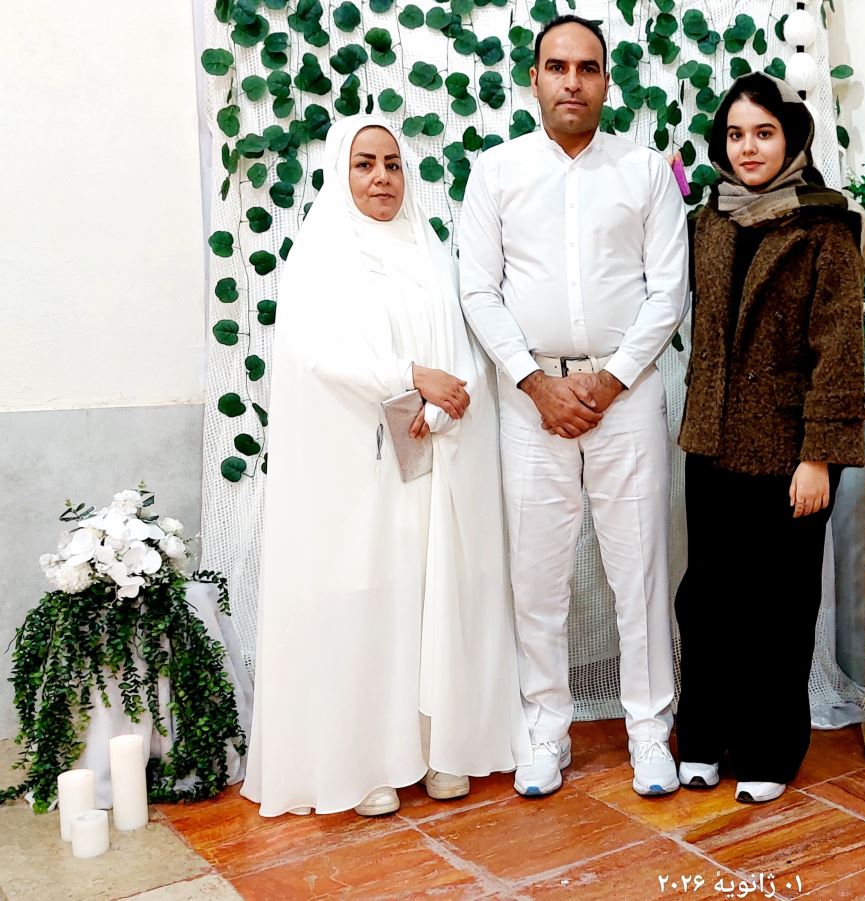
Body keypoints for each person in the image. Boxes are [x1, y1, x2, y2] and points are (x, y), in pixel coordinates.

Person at [243, 115, 532, 817]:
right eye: (365, 164)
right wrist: (408, 377)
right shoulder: (321, 254)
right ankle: (364, 757)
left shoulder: (430, 250)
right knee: (368, 596)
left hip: (434, 452)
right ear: (340, 173)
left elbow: (466, 343)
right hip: (358, 463)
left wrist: (443, 401)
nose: (381, 178)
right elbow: (315, 354)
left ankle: (439, 747)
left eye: (393, 164)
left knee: (433, 592)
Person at [458, 15, 689, 798]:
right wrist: (535, 383)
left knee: (640, 571)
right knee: (537, 576)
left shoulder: (645, 172)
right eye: (557, 66)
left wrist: (611, 379)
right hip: (531, 402)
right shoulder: (496, 172)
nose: (572, 81)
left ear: (606, 81)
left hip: (627, 395)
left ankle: (649, 732)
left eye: (587, 68)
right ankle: (545, 731)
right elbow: (477, 290)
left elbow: (669, 292)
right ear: (533, 78)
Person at [674, 74, 865, 804]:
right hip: (711, 442)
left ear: (792, 139)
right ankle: (704, 738)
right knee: (708, 601)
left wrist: (819, 456)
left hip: (793, 455)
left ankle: (769, 748)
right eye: (736, 134)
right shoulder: (708, 221)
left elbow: (840, 350)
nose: (749, 148)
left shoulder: (826, 227)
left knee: (779, 607)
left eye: (764, 133)